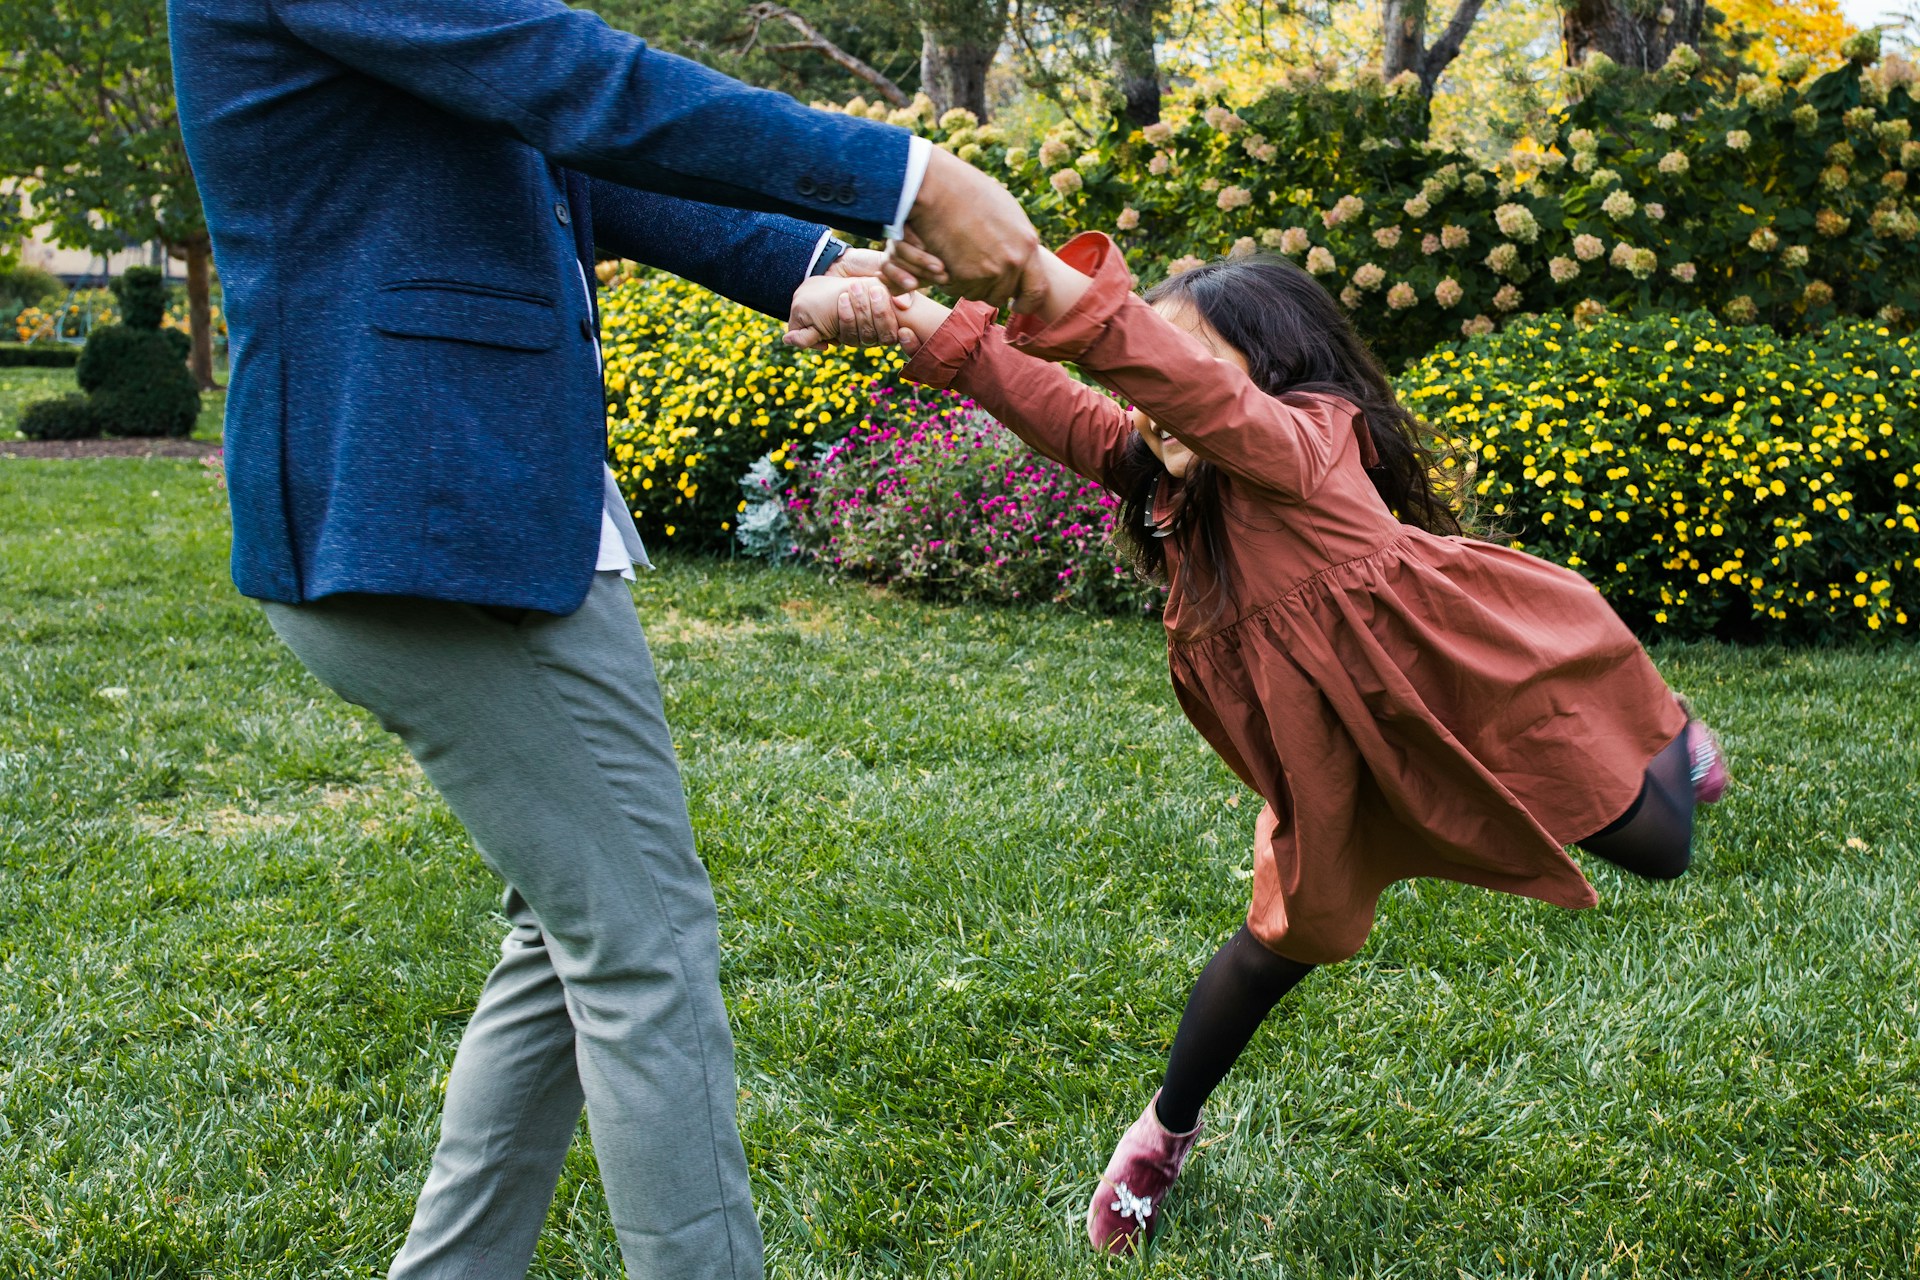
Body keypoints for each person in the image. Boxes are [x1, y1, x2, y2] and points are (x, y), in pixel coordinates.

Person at [165, 0, 1019, 1274]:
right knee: (644, 944)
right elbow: (571, 81)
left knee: (576, 929)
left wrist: (804, 261)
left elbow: (561, 147)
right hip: (419, 514)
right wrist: (909, 176)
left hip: (477, 506)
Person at [792, 232, 1728, 1253]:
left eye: (1187, 368)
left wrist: (1045, 285)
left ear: (1270, 373)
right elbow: (1064, 409)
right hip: (1325, 749)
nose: (1158, 404)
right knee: (1286, 935)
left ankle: (1669, 734)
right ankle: (1160, 1133)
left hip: (1473, 686)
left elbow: (1187, 390)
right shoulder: (1176, 481)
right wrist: (919, 320)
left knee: (1664, 848)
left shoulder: (1303, 445)